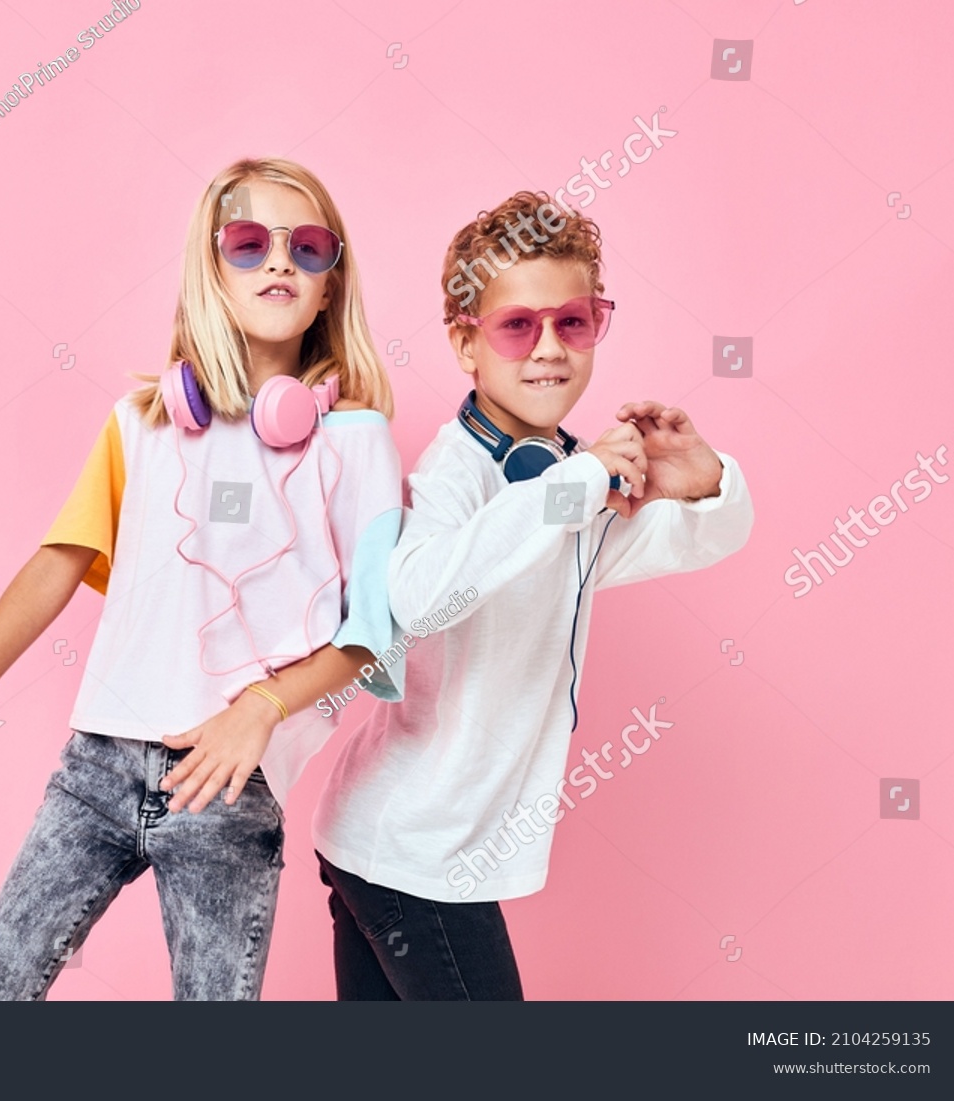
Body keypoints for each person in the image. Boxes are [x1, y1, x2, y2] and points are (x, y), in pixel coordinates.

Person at [0, 157, 405, 1001]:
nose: (278, 263)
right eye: (249, 243)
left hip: (224, 784)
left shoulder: (358, 441)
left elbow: (372, 631)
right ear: (210, 270)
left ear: (331, 285)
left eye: (307, 248)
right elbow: (56, 562)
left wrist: (258, 712)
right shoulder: (143, 421)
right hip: (96, 766)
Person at [311, 190, 754, 999]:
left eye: (573, 322)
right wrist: (576, 485)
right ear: (465, 343)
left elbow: (688, 541)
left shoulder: (573, 478)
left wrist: (707, 483)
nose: (549, 347)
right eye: (518, 325)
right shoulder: (457, 471)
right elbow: (418, 596)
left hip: (408, 848)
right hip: (413, 850)